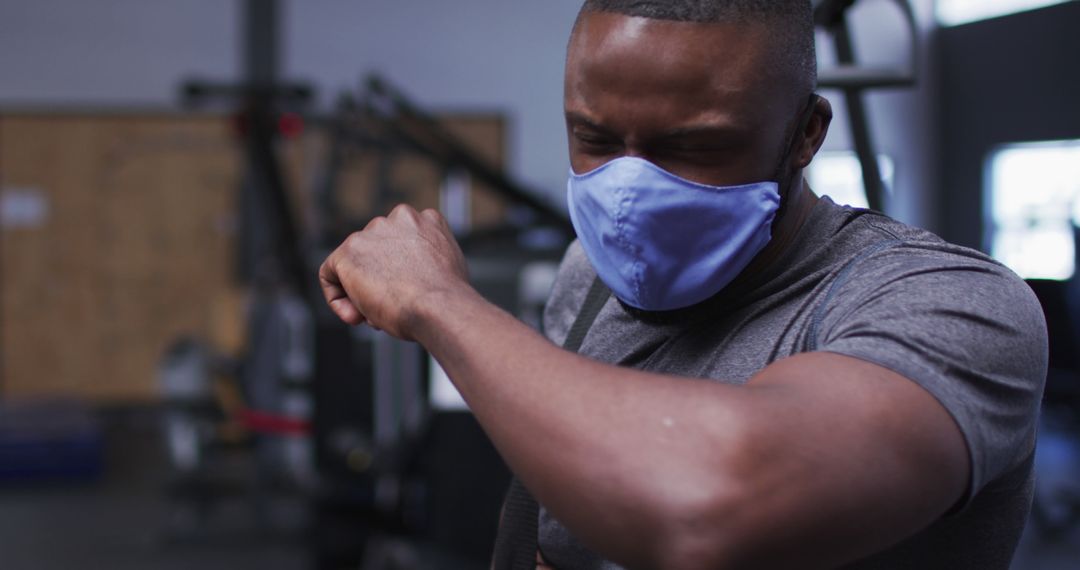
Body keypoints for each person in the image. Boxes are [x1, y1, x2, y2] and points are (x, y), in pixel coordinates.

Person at [318, 0, 1048, 567]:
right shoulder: (589, 274)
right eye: (596, 139)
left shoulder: (953, 305)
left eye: (693, 147)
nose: (630, 190)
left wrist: (440, 301)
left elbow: (706, 510)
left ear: (806, 134)